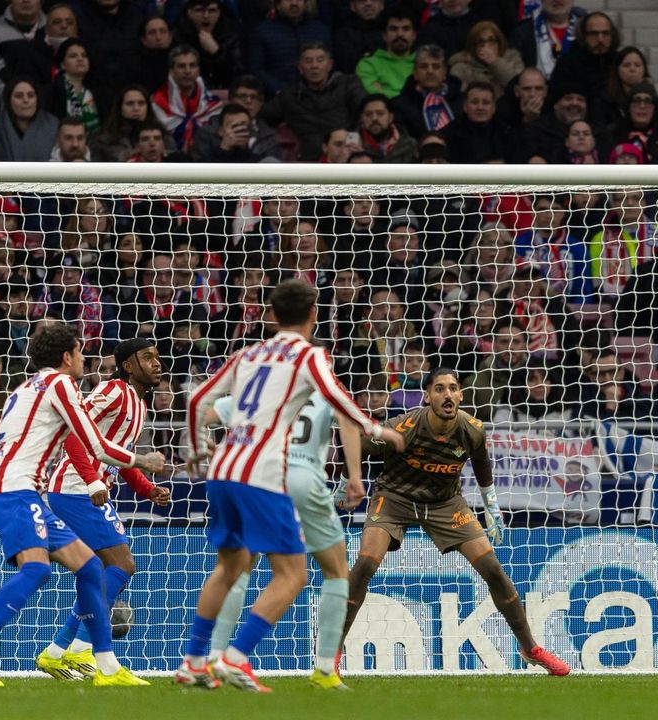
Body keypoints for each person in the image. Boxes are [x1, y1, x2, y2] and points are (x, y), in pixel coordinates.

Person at [176, 278, 400, 692]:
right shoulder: (308, 356)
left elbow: (195, 400)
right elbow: (340, 402)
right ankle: (237, 657)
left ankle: (194, 661)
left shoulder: (248, 354)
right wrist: (378, 429)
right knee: (293, 574)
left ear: (271, 316)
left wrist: (196, 450)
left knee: (229, 567)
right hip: (263, 473)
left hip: (223, 470)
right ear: (313, 316)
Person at [0, 320, 168, 686]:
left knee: (90, 568)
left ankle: (105, 668)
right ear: (66, 356)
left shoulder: (26, 388)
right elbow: (95, 446)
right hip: (16, 487)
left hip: (20, 488)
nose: (83, 357)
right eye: (79, 351)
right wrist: (142, 463)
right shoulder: (62, 385)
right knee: (37, 569)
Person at [339, 369, 570, 676]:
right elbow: (357, 442)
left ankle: (530, 648)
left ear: (461, 395)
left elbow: (481, 463)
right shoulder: (403, 427)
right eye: (439, 389)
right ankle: (333, 650)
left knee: (493, 570)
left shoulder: (472, 429)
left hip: (445, 503)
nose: (447, 395)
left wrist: (491, 506)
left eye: (452, 388)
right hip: (395, 497)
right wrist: (346, 481)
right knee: (366, 563)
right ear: (427, 396)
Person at [201, 356, 366, 690]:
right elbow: (349, 423)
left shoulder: (266, 394)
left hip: (261, 478)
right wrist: (355, 476)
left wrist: (212, 446)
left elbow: (206, 414)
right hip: (304, 479)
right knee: (334, 571)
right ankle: (323, 669)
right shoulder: (329, 391)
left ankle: (214, 657)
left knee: (241, 566)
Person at [34, 337, 172, 679]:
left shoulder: (139, 404)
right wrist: (93, 481)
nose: (156, 363)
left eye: (157, 357)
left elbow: (117, 457)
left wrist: (146, 488)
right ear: (128, 366)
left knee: (101, 571)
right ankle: (83, 649)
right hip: (74, 488)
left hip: (90, 490)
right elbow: (72, 434)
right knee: (121, 564)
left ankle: (57, 652)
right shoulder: (113, 391)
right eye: (147, 357)